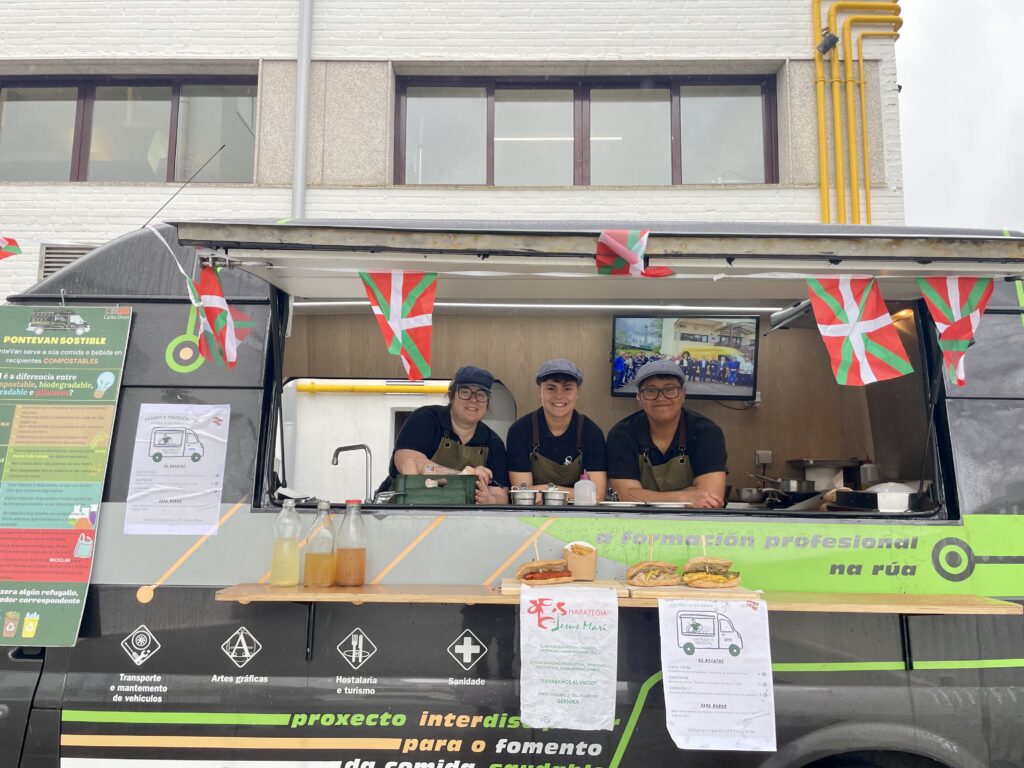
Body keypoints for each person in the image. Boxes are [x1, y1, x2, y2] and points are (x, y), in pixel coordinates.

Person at [607, 359, 727, 508]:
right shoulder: (622, 434)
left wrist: (645, 496)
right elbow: (626, 496)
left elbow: (711, 497)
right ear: (639, 397)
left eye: (670, 389)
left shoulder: (706, 432)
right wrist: (685, 496)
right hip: (638, 520)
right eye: (651, 390)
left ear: (683, 394)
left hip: (695, 520)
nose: (661, 397)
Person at [387, 365, 509, 504]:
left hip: (461, 515)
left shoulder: (493, 442)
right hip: (405, 510)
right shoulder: (425, 419)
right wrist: (465, 475)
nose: (473, 399)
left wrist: (490, 500)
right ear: (451, 396)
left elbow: (501, 497)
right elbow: (410, 464)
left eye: (481, 394)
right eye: (465, 392)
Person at [506, 359, 608, 501]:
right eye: (551, 388)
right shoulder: (520, 431)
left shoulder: (591, 433)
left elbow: (597, 495)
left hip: (578, 513)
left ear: (577, 392)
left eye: (567, 388)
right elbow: (523, 496)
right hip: (532, 512)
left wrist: (544, 490)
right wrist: (577, 492)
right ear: (539, 391)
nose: (559, 396)